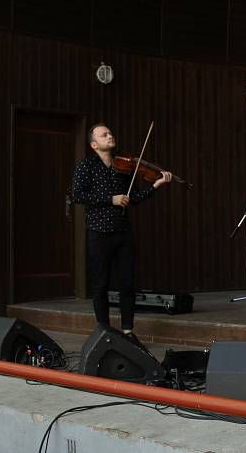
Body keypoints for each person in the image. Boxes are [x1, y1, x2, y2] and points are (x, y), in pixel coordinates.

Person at [71, 124, 172, 344]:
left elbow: (133, 198)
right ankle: (104, 330)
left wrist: (155, 185)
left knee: (127, 282)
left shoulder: (124, 167)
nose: (110, 135)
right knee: (100, 284)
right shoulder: (86, 166)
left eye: (110, 132)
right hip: (98, 233)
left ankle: (128, 330)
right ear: (94, 144)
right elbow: (77, 195)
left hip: (123, 231)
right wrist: (111, 199)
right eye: (104, 134)